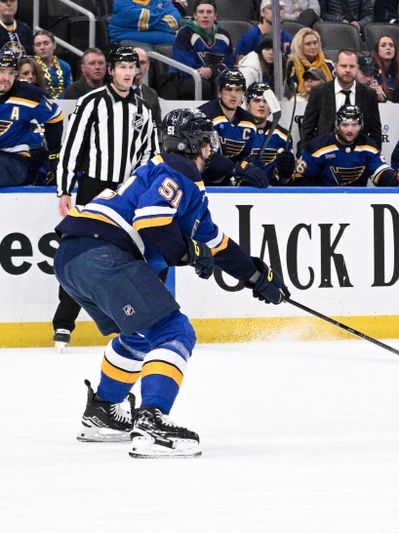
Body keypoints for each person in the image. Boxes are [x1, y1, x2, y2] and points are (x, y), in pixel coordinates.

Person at [55, 108, 289, 458]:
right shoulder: (178, 171)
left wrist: (255, 276)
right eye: (208, 143)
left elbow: (215, 244)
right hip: (105, 253)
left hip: (73, 256)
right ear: (196, 143)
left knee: (137, 334)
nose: (211, 150)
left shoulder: (175, 179)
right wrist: (186, 254)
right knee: (174, 332)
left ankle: (103, 411)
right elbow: (151, 222)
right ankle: (151, 421)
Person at [53, 47, 160, 351]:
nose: (128, 72)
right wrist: (64, 189)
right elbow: (71, 148)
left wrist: (143, 191)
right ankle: (63, 323)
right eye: (122, 66)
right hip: (93, 188)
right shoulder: (91, 102)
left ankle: (133, 323)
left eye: (132, 67)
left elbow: (151, 155)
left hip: (127, 192)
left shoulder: (143, 109)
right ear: (111, 70)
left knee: (131, 258)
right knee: (79, 254)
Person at [0, 49, 63, 187]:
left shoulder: (28, 93)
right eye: (1, 71)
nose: (6, 77)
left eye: (11, 72)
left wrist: (53, 154)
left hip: (14, 159)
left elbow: (55, 116)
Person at [299, 48, 382, 152]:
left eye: (351, 66)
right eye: (343, 66)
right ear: (335, 66)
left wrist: (374, 155)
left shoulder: (369, 94)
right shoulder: (319, 92)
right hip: (325, 156)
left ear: (357, 68)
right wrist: (308, 156)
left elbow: (376, 132)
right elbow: (307, 129)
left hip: (358, 158)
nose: (347, 70)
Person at [291, 104, 396, 186]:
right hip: (323, 202)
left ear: (361, 125)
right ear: (337, 125)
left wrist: (395, 178)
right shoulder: (317, 147)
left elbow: (380, 172)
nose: (350, 130)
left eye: (355, 125)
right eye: (345, 125)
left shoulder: (369, 147)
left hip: (358, 202)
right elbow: (300, 179)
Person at [197, 69, 269, 187]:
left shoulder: (249, 121)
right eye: (229, 89)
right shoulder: (204, 115)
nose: (233, 94)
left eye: (238, 90)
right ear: (219, 92)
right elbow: (203, 157)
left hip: (227, 182)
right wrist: (236, 168)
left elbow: (245, 156)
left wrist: (251, 165)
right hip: (200, 181)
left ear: (243, 94)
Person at [172, 0, 235, 100]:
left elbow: (230, 64)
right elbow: (185, 67)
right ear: (195, 15)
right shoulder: (184, 34)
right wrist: (211, 72)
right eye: (201, 12)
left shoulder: (224, 35)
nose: (205, 16)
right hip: (188, 79)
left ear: (215, 16)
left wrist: (212, 71)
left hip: (216, 78)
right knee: (205, 86)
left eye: (209, 12)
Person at [244, 81, 296, 184]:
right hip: (240, 192)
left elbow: (285, 182)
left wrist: (285, 176)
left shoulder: (282, 136)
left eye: (266, 101)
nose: (262, 105)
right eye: (257, 100)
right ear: (247, 104)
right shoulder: (237, 131)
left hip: (273, 194)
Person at [108, 0, 182, 51]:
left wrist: (146, 22)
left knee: (182, 49)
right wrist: (161, 14)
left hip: (159, 39)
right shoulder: (121, 2)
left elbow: (175, 20)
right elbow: (132, 16)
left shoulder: (163, 1)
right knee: (144, 57)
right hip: (130, 40)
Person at [286, 27, 335, 98]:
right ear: (299, 46)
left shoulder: (328, 63)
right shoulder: (291, 65)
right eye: (308, 44)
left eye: (315, 43)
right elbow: (288, 90)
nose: (313, 47)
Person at [33, 29, 72, 98]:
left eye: (46, 43)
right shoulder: (31, 66)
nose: (42, 47)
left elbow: (69, 90)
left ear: (54, 45)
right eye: (38, 45)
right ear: (34, 48)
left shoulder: (65, 66)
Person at [371, 34, 399, 103]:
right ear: (377, 50)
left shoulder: (397, 73)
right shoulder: (372, 72)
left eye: (391, 45)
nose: (388, 48)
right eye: (383, 45)